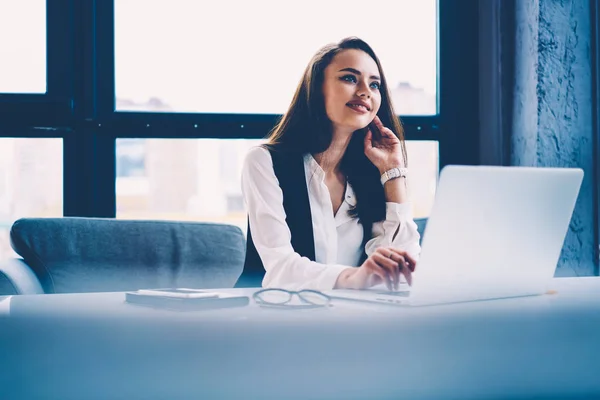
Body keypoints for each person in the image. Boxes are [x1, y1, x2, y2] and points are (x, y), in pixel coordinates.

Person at [238, 37, 421, 292]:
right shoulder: (265, 161)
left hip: (353, 320)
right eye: (349, 78)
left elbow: (403, 269)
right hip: (277, 318)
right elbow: (279, 266)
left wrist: (393, 174)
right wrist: (353, 277)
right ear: (317, 87)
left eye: (375, 84)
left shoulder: (370, 172)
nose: (365, 91)